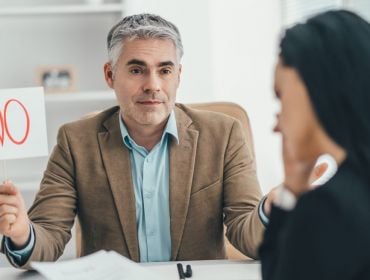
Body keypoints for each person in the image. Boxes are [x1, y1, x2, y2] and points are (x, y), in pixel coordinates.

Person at [0, 13, 271, 269]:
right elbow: (48, 238)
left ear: (178, 75)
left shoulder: (224, 135)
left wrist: (273, 207)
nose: (152, 84)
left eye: (164, 71)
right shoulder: (75, 142)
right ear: (110, 75)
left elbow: (249, 236)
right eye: (137, 70)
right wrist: (22, 233)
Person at [259, 10, 370, 280]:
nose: (277, 123)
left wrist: (292, 198)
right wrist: (293, 188)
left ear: (313, 89)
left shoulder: (329, 210)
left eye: (280, 96)